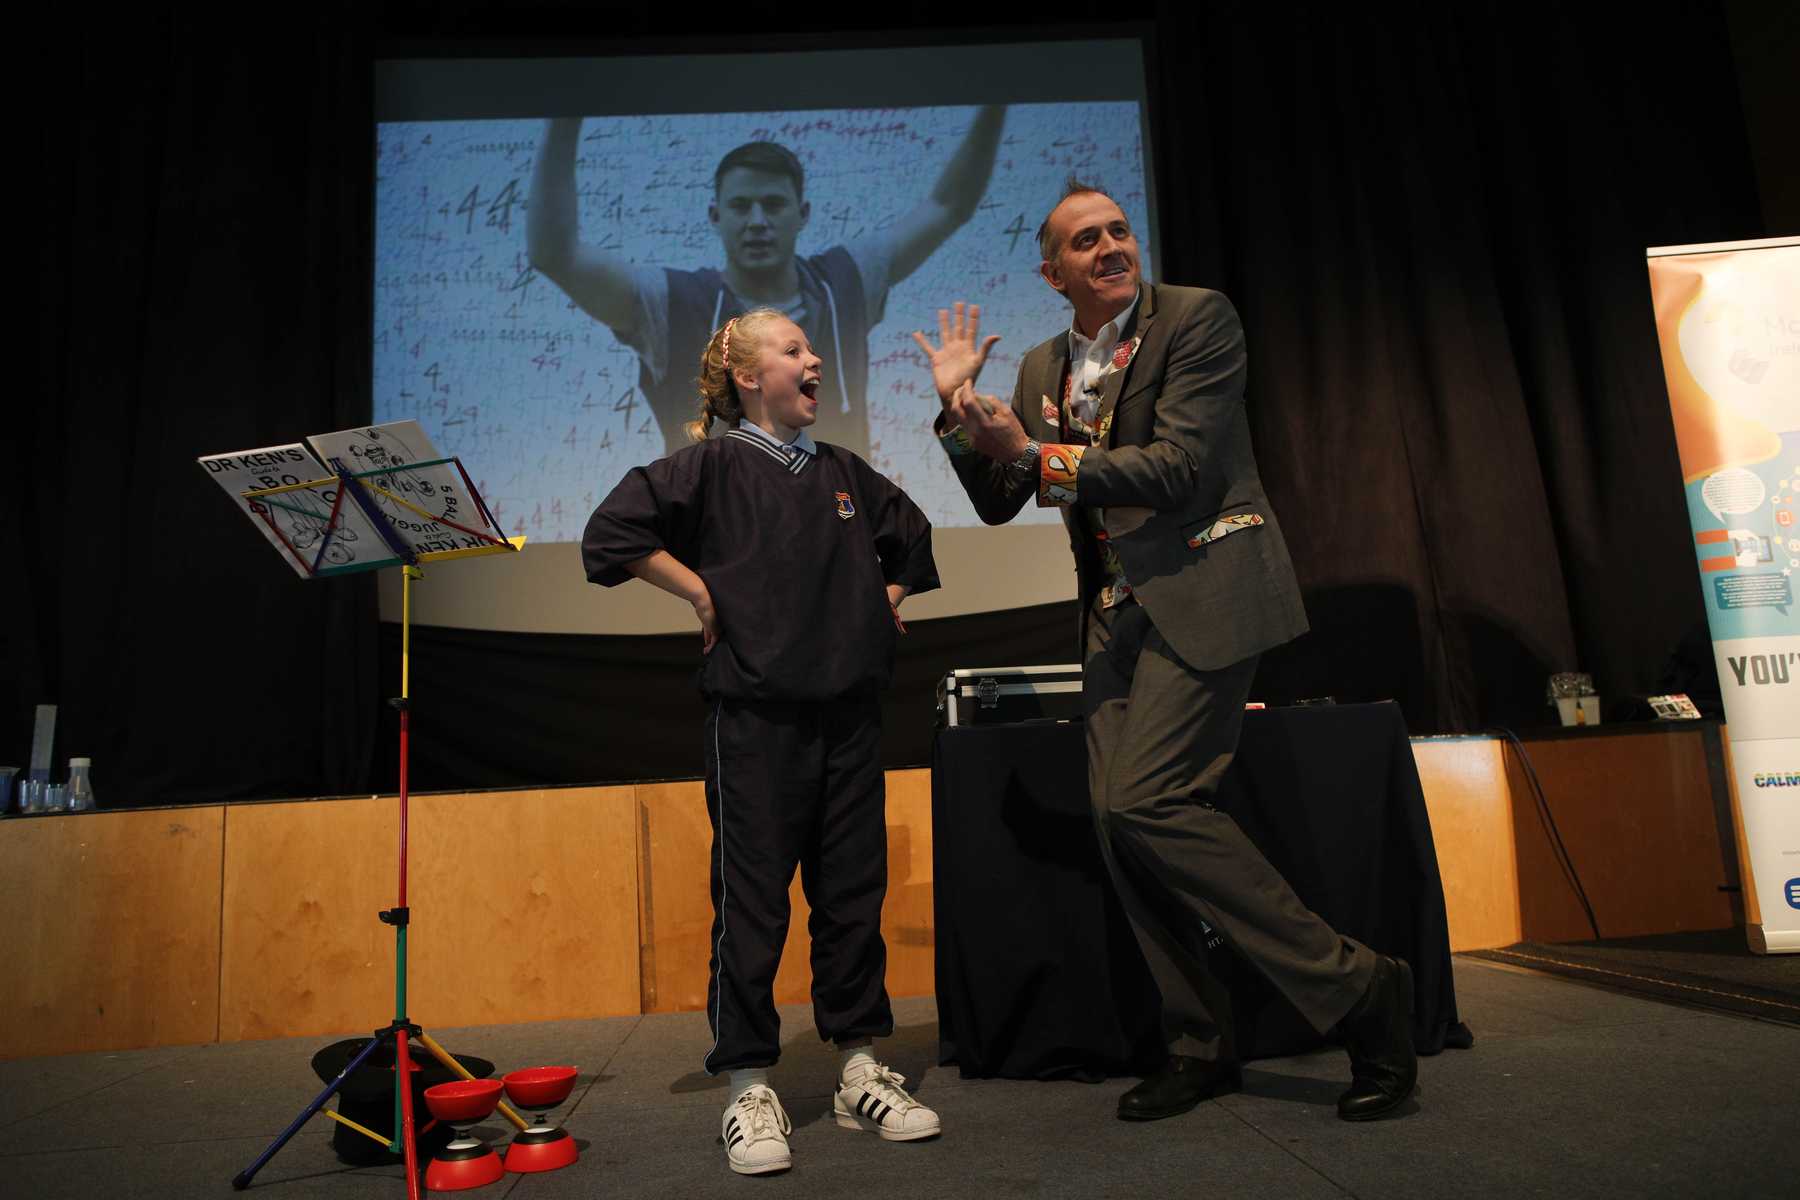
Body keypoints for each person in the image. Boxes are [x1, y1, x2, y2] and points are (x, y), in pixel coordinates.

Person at [911, 182, 1419, 1123]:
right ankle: (1198, 1041)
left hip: (1209, 584)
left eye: (1117, 230)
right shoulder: (1037, 365)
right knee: (1118, 823)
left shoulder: (1197, 319)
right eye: (1083, 239)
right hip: (1112, 611)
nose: (1109, 246)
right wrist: (954, 413)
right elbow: (997, 494)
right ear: (1051, 271)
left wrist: (1038, 453)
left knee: (1149, 798)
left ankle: (1358, 987)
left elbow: (1182, 468)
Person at [582, 308, 943, 1175]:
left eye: (813, 348)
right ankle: (748, 1081)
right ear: (748, 377)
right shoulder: (707, 466)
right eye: (793, 350)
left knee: (852, 896)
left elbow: (913, 541)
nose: (815, 359)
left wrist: (886, 597)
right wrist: (701, 596)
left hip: (850, 719)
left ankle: (858, 1067)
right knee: (753, 907)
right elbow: (611, 534)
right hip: (753, 721)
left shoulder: (845, 473)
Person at [531, 107, 1006, 458]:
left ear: (802, 215)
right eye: (740, 207)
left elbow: (948, 206)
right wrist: (566, 113)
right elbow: (555, 255)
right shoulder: (672, 301)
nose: (757, 220)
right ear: (715, 216)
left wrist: (998, 98)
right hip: (718, 545)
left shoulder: (846, 282)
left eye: (773, 205)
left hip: (836, 526)